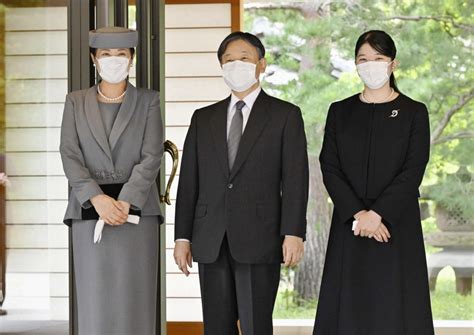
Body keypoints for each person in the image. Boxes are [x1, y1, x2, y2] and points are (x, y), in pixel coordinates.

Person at [173, 31, 309, 335]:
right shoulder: (203, 118)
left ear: (261, 64)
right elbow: (189, 182)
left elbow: (296, 179)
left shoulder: (285, 116)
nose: (237, 65)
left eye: (244, 59)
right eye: (229, 60)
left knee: (256, 325)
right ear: (221, 66)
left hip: (260, 238)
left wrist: (294, 232)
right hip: (210, 239)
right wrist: (182, 237)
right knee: (216, 327)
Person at [314, 30, 434, 334]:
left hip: (396, 225)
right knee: (348, 310)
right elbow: (329, 166)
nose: (371, 65)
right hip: (350, 225)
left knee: (396, 309)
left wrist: (378, 213)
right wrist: (359, 213)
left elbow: (413, 169)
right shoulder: (340, 111)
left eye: (378, 58)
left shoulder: (414, 112)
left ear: (392, 64)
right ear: (355, 64)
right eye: (363, 59)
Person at [59, 26, 164, 335]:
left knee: (136, 298)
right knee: (95, 299)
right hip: (89, 212)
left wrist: (126, 201)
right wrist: (97, 198)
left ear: (131, 60)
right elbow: (69, 153)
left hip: (137, 212)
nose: (114, 60)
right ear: (94, 59)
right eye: (106, 54)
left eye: (121, 54)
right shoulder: (75, 101)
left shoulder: (148, 101)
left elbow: (152, 155)